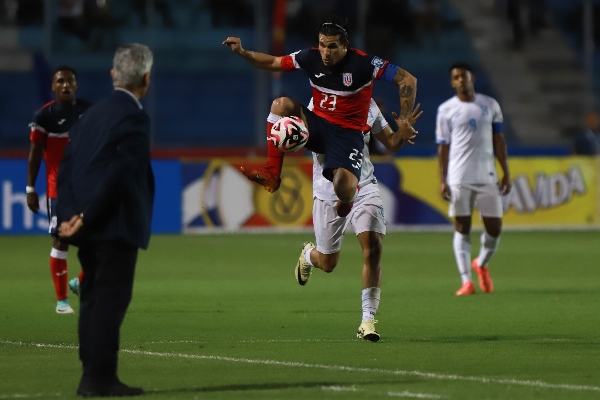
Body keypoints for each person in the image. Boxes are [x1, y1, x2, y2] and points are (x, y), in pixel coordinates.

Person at [223, 14, 417, 218]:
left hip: (347, 136)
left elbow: (407, 80)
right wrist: (242, 52)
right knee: (280, 105)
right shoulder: (310, 57)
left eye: (332, 46)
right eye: (322, 45)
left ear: (345, 46)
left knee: (344, 186)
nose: (325, 52)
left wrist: (404, 120)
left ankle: (347, 199)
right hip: (318, 125)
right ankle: (272, 173)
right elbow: (273, 61)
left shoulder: (363, 63)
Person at [56, 43, 154, 397]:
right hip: (114, 225)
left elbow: (66, 170)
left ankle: (91, 376)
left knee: (93, 299)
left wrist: (69, 217)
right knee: (109, 301)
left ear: (114, 75)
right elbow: (121, 173)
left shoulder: (89, 116)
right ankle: (100, 379)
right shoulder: (135, 117)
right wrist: (85, 216)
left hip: (88, 225)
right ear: (146, 78)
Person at [297, 97, 421, 341]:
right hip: (328, 191)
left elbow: (390, 143)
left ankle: (367, 321)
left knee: (373, 248)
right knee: (328, 263)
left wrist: (401, 135)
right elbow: (308, 142)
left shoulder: (368, 104)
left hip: (363, 185)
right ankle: (309, 256)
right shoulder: (318, 104)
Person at [436, 61, 511, 296]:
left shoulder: (490, 105)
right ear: (452, 82)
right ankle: (466, 281)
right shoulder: (446, 109)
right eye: (456, 77)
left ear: (472, 78)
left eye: (464, 76)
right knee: (462, 226)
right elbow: (443, 147)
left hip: (487, 174)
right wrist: (443, 178)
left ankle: (481, 263)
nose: (461, 80)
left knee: (495, 228)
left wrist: (505, 171)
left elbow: (499, 139)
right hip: (459, 176)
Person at [27, 65, 92, 314]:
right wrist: (30, 187)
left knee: (103, 237)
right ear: (53, 86)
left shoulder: (89, 111)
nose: (66, 85)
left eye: (70, 81)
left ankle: (80, 282)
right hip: (59, 189)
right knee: (61, 239)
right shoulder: (44, 117)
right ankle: (62, 301)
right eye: (61, 81)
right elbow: (34, 156)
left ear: (76, 84)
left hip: (87, 187)